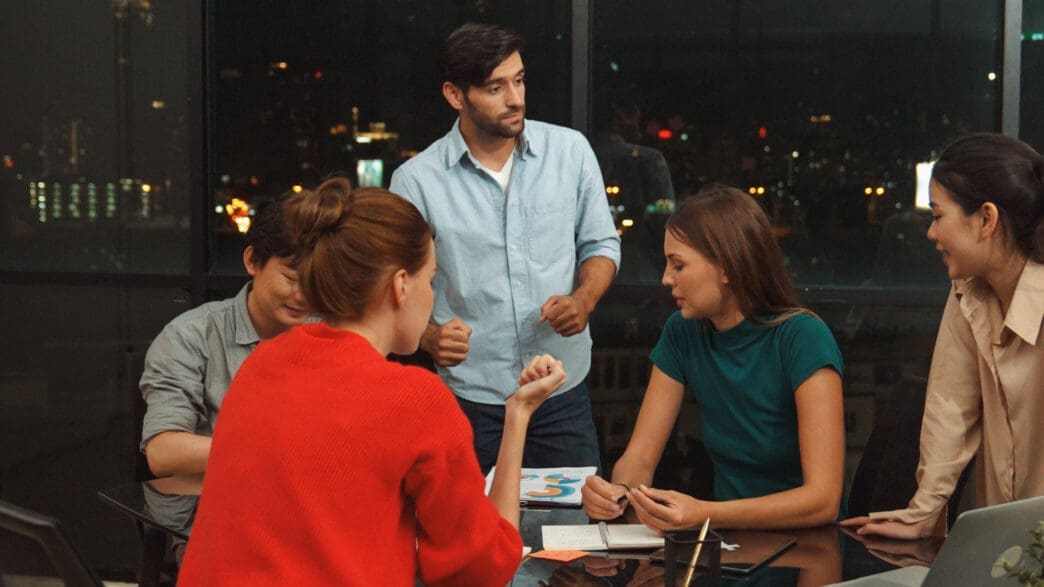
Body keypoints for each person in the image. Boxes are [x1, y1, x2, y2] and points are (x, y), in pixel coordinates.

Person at [177, 178, 566, 585]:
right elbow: (484, 566)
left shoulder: (264, 363)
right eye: (430, 281)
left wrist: (516, 409)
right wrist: (518, 415)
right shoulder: (414, 399)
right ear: (400, 286)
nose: (432, 296)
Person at [389, 23, 620, 473]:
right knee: (471, 535)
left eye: (519, 80)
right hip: (470, 398)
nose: (515, 98)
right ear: (456, 95)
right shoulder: (416, 182)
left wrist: (583, 299)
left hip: (561, 389)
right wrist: (429, 338)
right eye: (495, 87)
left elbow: (600, 241)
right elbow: (391, 286)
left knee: (572, 531)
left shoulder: (570, 152)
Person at [581, 184, 846, 531]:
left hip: (806, 549)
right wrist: (619, 493)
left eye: (678, 265)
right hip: (728, 545)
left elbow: (822, 501)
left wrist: (703, 513)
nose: (665, 278)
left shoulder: (803, 338)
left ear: (727, 268)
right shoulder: (683, 331)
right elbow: (640, 456)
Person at [842, 133, 1044, 540]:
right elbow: (949, 407)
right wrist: (924, 512)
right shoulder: (967, 290)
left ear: (986, 219)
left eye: (937, 216)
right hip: (1006, 552)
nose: (931, 234)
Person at [139, 197, 310, 477]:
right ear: (252, 261)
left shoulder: (328, 331)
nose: (303, 296)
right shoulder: (191, 337)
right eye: (291, 279)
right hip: (215, 504)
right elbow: (163, 451)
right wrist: (276, 453)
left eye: (316, 281)